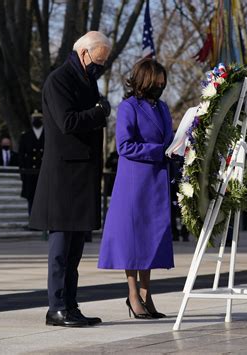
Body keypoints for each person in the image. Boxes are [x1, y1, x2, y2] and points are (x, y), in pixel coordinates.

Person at [29, 31, 112, 327]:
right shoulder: (59, 80)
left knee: (75, 251)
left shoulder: (86, 79)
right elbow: (67, 122)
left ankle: (71, 304)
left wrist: (97, 110)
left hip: (81, 175)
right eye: (98, 62)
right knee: (61, 250)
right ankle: (57, 307)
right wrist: (99, 112)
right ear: (83, 53)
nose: (100, 68)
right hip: (64, 178)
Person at [98, 58, 174, 319]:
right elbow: (124, 146)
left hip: (156, 181)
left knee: (151, 240)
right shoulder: (129, 107)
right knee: (133, 240)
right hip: (133, 182)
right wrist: (160, 151)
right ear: (145, 81)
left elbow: (170, 139)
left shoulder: (163, 108)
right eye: (157, 83)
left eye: (164, 84)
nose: (161, 87)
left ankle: (146, 294)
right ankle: (133, 295)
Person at [18, 110, 44, 215]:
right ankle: (32, 219)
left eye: (38, 118)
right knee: (31, 197)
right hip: (30, 172)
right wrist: (23, 172)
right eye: (34, 118)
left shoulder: (48, 135)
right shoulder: (26, 136)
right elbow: (21, 156)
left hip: (43, 171)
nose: (36, 120)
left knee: (44, 197)